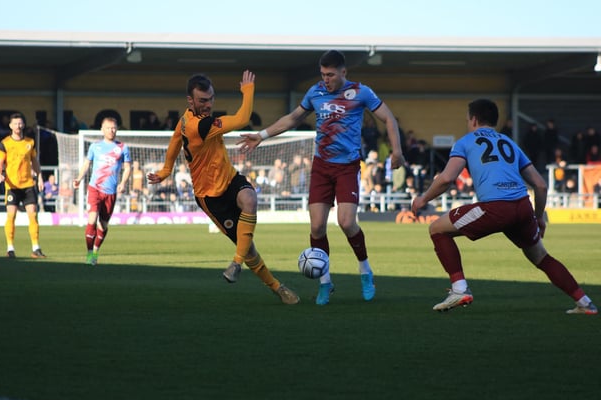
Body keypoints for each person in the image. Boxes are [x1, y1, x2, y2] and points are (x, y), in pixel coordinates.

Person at [239, 50, 404, 305]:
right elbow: (293, 118)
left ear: (343, 72)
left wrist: (397, 151)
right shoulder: (315, 92)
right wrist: (262, 135)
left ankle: (365, 271)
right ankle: (325, 282)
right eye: (323, 74)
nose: (326, 79)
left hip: (347, 166)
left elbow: (389, 118)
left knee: (347, 222)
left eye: (330, 75)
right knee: (316, 227)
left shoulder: (361, 92)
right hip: (321, 167)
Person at [411, 98, 597, 315]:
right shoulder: (510, 143)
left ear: (473, 119)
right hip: (522, 207)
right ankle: (585, 303)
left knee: (437, 229)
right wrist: (539, 217)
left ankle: (459, 289)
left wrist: (423, 199)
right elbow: (540, 185)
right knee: (541, 257)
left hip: (496, 207)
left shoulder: (466, 142)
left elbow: (446, 179)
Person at [146, 70, 299, 305]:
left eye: (211, 99)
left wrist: (167, 170)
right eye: (203, 101)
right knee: (250, 251)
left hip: (229, 180)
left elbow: (175, 141)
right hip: (210, 197)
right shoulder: (200, 126)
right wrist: (248, 91)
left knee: (250, 199)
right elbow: (241, 119)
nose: (208, 105)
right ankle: (277, 287)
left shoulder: (185, 119)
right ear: (191, 100)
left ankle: (235, 264)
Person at [73, 117, 131, 265]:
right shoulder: (95, 146)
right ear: (102, 130)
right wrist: (79, 178)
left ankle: (96, 251)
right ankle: (89, 254)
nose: (111, 130)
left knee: (103, 225)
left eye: (113, 128)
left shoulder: (123, 148)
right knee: (91, 219)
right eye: (108, 128)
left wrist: (123, 183)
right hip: (95, 188)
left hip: (110, 192)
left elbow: (127, 168)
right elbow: (87, 164)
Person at [0, 113, 46, 258]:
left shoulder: (30, 142)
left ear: (23, 125)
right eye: (15, 123)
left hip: (28, 184)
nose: (18, 126)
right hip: (12, 186)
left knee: (33, 215)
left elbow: (35, 162)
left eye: (20, 123)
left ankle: (36, 248)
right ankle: (10, 248)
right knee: (11, 216)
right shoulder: (4, 143)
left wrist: (40, 177)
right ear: (10, 126)